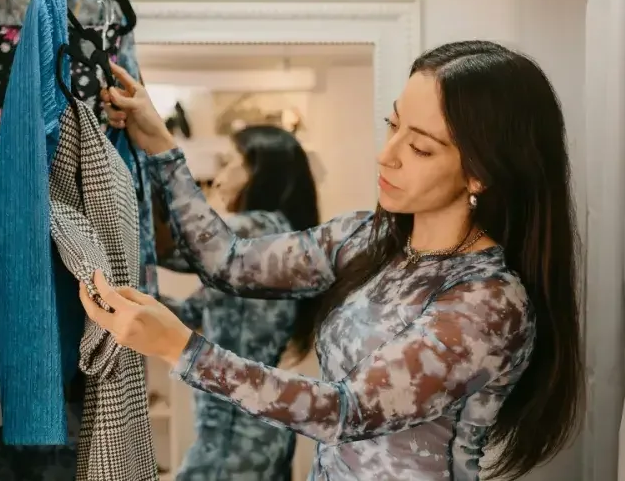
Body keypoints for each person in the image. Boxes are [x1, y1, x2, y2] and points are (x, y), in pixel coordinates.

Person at [89, 40, 583, 480]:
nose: (386, 155)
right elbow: (229, 260)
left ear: (480, 174)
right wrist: (159, 143)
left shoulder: (489, 303)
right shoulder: (367, 238)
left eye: (418, 147)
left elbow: (345, 412)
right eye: (392, 125)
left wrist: (182, 348)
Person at [158, 124, 320, 481]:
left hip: (236, 429)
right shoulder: (263, 246)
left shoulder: (258, 229)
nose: (219, 175)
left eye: (230, 162)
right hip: (257, 425)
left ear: (258, 173)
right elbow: (190, 313)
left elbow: (174, 248)